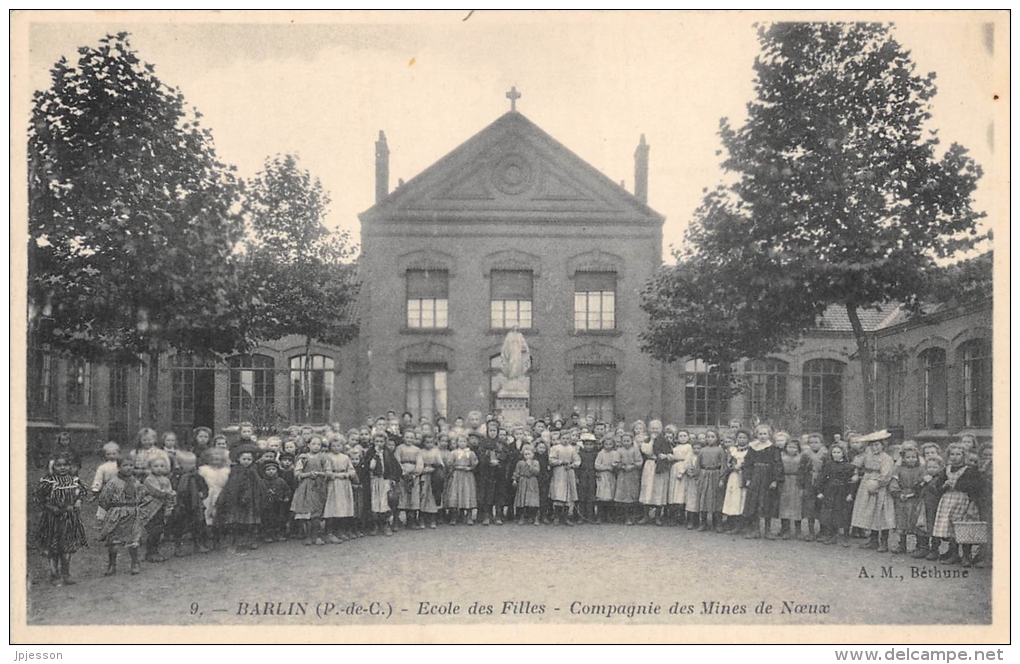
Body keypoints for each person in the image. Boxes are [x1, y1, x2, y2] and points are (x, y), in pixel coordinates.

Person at [35, 452, 88, 585]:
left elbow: (82, 492)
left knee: (67, 547)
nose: (62, 468)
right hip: (53, 519)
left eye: (65, 465)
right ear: (53, 466)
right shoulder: (48, 482)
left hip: (69, 519)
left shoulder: (73, 480)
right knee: (54, 548)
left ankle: (66, 573)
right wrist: (51, 507)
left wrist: (78, 501)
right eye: (59, 465)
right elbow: (38, 498)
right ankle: (54, 574)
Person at [929, 444, 984, 566]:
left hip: (963, 500)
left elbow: (975, 487)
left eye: (958, 454)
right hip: (948, 500)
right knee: (950, 529)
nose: (955, 457)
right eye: (952, 454)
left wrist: (957, 486)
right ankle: (954, 554)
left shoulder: (969, 470)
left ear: (964, 456)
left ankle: (966, 555)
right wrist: (944, 486)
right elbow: (938, 486)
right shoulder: (946, 469)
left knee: (963, 527)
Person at [850, 431, 897, 552]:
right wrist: (856, 473)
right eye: (872, 445)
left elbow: (886, 475)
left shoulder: (886, 458)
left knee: (881, 514)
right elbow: (856, 465)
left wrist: (876, 483)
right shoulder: (867, 455)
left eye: (877, 445)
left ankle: (884, 542)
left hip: (880, 488)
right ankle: (873, 540)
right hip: (866, 485)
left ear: (883, 445)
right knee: (870, 513)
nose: (874, 447)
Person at [96, 457, 144, 575]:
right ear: (118, 467)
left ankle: (135, 563)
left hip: (132, 513)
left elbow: (142, 494)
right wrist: (111, 509)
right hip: (117, 513)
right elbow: (104, 499)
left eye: (131, 465)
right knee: (114, 541)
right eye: (125, 465)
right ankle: (112, 565)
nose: (128, 468)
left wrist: (136, 505)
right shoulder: (113, 483)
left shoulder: (136, 482)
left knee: (133, 540)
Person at [743, 425, 783, 540]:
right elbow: (748, 464)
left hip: (767, 477)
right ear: (756, 435)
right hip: (755, 476)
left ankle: (767, 530)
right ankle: (755, 530)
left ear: (769, 435)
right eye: (760, 434)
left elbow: (777, 465)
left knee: (767, 503)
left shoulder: (773, 448)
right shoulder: (752, 447)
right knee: (754, 503)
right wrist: (748, 479)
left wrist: (775, 480)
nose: (762, 436)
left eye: (765, 434)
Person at [167, 451, 210, 556]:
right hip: (182, 505)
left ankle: (198, 544)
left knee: (198, 525)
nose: (190, 466)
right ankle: (178, 547)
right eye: (187, 464)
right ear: (180, 464)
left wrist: (202, 494)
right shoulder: (176, 476)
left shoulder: (197, 476)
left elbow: (204, 487)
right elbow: (172, 487)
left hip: (195, 504)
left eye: (192, 463)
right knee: (179, 527)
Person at [290, 435, 330, 545]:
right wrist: (308, 474)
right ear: (308, 445)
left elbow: (328, 472)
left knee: (317, 511)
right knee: (306, 511)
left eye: (318, 444)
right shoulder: (303, 458)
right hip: (305, 486)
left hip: (319, 486)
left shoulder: (324, 458)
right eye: (314, 444)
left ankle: (315, 536)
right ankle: (307, 536)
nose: (316, 446)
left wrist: (319, 474)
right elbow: (297, 473)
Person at [814, 444, 856, 546]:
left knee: (845, 513)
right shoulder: (828, 465)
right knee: (830, 513)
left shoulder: (849, 466)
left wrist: (850, 494)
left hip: (843, 492)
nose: (836, 455)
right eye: (834, 452)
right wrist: (819, 491)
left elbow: (852, 482)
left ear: (843, 454)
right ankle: (832, 535)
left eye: (838, 452)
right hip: (830, 491)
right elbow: (821, 478)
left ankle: (846, 537)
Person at [138, 452, 176, 563]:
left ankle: (154, 551)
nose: (159, 469)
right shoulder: (149, 480)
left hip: (161, 507)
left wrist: (170, 503)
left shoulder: (166, 480)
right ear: (150, 467)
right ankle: (151, 552)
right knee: (153, 529)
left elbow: (169, 493)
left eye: (162, 466)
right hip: (150, 507)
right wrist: (169, 493)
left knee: (159, 529)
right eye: (156, 466)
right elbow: (156, 492)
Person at [889, 442, 925, 555]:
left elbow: (923, 483)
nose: (911, 459)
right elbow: (894, 483)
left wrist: (916, 491)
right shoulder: (898, 470)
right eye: (908, 457)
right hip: (903, 498)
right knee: (902, 521)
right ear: (903, 458)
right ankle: (902, 544)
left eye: (913, 457)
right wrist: (898, 494)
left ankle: (920, 545)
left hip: (916, 499)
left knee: (916, 520)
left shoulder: (921, 470)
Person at [366, 430, 402, 536]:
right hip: (374, 481)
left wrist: (393, 479)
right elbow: (370, 467)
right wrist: (375, 455)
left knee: (384, 503)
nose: (379, 444)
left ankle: (385, 524)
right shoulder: (371, 452)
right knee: (375, 502)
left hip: (385, 480)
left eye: (381, 441)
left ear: (384, 442)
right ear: (373, 442)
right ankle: (375, 525)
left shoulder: (388, 453)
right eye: (376, 441)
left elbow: (395, 467)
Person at [777, 433, 811, 540]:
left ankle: (798, 530)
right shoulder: (782, 456)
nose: (791, 449)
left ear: (798, 449)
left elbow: (805, 471)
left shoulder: (802, 457)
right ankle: (785, 529)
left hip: (796, 482)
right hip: (785, 482)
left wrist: (803, 484)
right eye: (789, 447)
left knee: (797, 505)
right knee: (784, 505)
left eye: (794, 447)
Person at [323, 436, 357, 542]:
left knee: (343, 507)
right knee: (333, 507)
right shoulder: (328, 457)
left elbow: (352, 471)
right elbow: (327, 472)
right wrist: (337, 475)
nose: (336, 448)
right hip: (334, 484)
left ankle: (340, 531)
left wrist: (347, 474)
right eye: (333, 446)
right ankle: (329, 532)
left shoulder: (345, 457)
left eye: (338, 446)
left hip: (344, 485)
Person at [911, 456, 945, 560]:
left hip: (934, 507)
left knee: (933, 528)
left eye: (935, 467)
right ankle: (923, 547)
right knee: (921, 526)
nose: (931, 469)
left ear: (940, 467)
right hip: (923, 506)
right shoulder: (925, 477)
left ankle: (934, 549)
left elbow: (938, 491)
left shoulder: (940, 479)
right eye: (929, 467)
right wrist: (922, 483)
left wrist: (929, 483)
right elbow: (916, 489)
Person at [638, 420, 672, 525]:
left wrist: (665, 456)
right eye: (653, 428)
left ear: (661, 429)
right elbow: (647, 451)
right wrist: (652, 440)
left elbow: (671, 453)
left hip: (660, 467)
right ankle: (646, 516)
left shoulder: (665, 441)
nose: (655, 430)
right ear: (649, 429)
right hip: (650, 465)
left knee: (659, 490)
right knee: (647, 489)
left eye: (657, 428)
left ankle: (658, 516)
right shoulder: (647, 440)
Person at [477, 421, 509, 526]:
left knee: (499, 493)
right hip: (487, 472)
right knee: (487, 493)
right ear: (487, 431)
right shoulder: (483, 442)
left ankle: (498, 515)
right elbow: (480, 455)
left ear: (497, 431)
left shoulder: (502, 443)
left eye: (494, 430)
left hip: (499, 472)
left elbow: (506, 455)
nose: (492, 433)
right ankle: (487, 515)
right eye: (490, 430)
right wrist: (489, 460)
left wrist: (498, 459)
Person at [198, 447, 231, 549]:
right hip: (207, 495)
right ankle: (206, 540)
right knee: (206, 516)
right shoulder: (203, 470)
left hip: (221, 494)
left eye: (218, 458)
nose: (215, 460)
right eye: (213, 458)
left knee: (219, 516)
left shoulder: (226, 471)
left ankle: (218, 540)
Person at [696, 429, 727, 532]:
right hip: (704, 475)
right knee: (704, 498)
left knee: (717, 499)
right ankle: (703, 522)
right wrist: (698, 477)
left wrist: (722, 479)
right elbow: (698, 465)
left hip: (716, 475)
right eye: (708, 437)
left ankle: (717, 523)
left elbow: (723, 465)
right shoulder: (702, 450)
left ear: (717, 438)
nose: (710, 439)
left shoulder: (720, 450)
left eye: (712, 437)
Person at [721, 429, 750, 533]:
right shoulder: (732, 450)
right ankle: (732, 523)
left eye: (744, 438)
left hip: (744, 477)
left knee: (742, 498)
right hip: (733, 476)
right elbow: (727, 463)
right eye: (740, 438)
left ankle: (742, 524)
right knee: (733, 498)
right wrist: (733, 466)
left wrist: (742, 467)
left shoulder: (750, 450)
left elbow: (751, 463)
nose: (742, 440)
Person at [394, 429, 424, 529]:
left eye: (411, 438)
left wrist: (415, 473)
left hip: (413, 476)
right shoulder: (399, 448)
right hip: (402, 476)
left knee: (413, 496)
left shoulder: (417, 450)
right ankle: (396, 520)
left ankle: (411, 519)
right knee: (402, 496)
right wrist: (403, 472)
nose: (409, 439)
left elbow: (420, 463)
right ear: (403, 438)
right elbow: (397, 460)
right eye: (407, 437)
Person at [549, 433, 581, 525]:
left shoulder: (572, 449)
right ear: (559, 439)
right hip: (559, 472)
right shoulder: (555, 448)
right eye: (563, 438)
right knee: (559, 493)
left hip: (569, 472)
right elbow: (551, 460)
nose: (565, 440)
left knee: (568, 495)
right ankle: (556, 517)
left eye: (567, 438)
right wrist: (561, 462)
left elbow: (578, 461)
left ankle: (566, 517)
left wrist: (572, 465)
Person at [801, 433, 827, 541]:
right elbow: (801, 470)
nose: (814, 445)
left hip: (822, 484)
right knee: (810, 507)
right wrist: (802, 484)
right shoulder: (806, 455)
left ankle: (823, 531)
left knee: (822, 507)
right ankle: (811, 532)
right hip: (809, 483)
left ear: (821, 443)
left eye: (816, 442)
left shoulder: (826, 454)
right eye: (811, 443)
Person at [613, 432, 642, 525]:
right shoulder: (619, 450)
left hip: (633, 475)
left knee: (632, 495)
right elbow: (615, 462)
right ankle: (623, 517)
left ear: (632, 441)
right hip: (623, 475)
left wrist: (633, 466)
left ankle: (632, 517)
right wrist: (622, 466)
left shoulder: (635, 450)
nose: (626, 443)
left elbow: (639, 461)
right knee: (623, 495)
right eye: (624, 441)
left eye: (628, 441)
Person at [667, 429, 693, 526]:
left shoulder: (689, 447)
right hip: (675, 467)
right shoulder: (676, 447)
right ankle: (674, 516)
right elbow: (673, 457)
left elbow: (687, 460)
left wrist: (682, 472)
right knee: (674, 492)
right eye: (680, 436)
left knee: (681, 493)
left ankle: (682, 516)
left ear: (688, 437)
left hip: (682, 469)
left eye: (684, 436)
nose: (682, 438)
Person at [90, 442, 122, 521]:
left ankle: (117, 517)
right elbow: (98, 478)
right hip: (107, 487)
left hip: (120, 487)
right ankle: (102, 518)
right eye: (109, 454)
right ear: (105, 455)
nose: (111, 456)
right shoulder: (102, 467)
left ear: (119, 454)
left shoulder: (121, 465)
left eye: (114, 453)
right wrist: (96, 488)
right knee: (105, 502)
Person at [419, 434, 445, 529]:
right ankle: (422, 518)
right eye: (427, 442)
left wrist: (435, 468)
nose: (429, 444)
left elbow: (441, 464)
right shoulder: (421, 452)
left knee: (433, 497)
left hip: (434, 476)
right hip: (425, 476)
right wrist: (423, 470)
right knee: (423, 496)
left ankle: (433, 519)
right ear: (423, 443)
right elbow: (419, 463)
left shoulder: (436, 451)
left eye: (431, 442)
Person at [512, 445, 542, 526]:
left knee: (532, 499)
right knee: (522, 499)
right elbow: (516, 472)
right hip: (523, 481)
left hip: (532, 481)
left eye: (529, 454)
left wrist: (530, 465)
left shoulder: (535, 462)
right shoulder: (520, 463)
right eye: (526, 454)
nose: (527, 456)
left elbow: (537, 472)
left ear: (533, 454)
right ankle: (522, 516)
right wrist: (515, 480)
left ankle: (534, 517)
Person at [594, 436, 618, 524]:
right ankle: (600, 516)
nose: (608, 446)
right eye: (606, 444)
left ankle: (609, 516)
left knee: (610, 495)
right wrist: (606, 468)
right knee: (602, 496)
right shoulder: (601, 453)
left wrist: (614, 467)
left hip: (611, 476)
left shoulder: (615, 453)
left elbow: (617, 463)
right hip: (603, 475)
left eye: (610, 444)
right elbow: (596, 465)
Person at [576, 432, 599, 524]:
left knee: (591, 496)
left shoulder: (595, 454)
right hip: (582, 475)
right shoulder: (580, 453)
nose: (589, 447)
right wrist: (577, 476)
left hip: (592, 476)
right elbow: (578, 465)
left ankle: (590, 516)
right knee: (582, 496)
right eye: (587, 444)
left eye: (591, 445)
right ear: (583, 445)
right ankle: (581, 516)